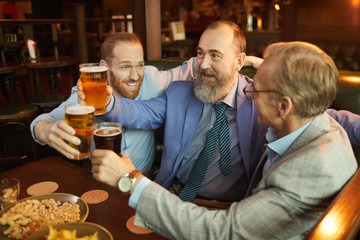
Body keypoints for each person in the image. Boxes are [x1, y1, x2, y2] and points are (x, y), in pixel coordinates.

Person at [91, 41, 358, 239]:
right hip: (185, 199)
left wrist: (131, 179)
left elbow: (221, 231)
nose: (249, 92)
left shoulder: (308, 170)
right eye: (200, 53)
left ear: (284, 106)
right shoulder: (314, 122)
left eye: (256, 88)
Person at [30, 31, 263, 173]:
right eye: (125, 67)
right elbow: (41, 121)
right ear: (105, 66)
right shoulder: (87, 94)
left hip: (144, 179)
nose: (134, 76)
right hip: (98, 179)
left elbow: (196, 65)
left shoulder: (152, 77)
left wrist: (245, 60)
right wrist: (47, 130)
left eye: (139, 65)